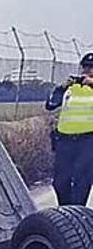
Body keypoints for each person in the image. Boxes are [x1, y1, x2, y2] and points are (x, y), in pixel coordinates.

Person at [46, 53, 93, 206]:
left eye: (91, 68)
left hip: (88, 141)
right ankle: (66, 213)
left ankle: (78, 215)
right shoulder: (71, 89)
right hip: (65, 141)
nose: (87, 70)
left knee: (82, 181)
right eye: (85, 67)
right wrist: (60, 88)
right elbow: (51, 104)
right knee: (60, 182)